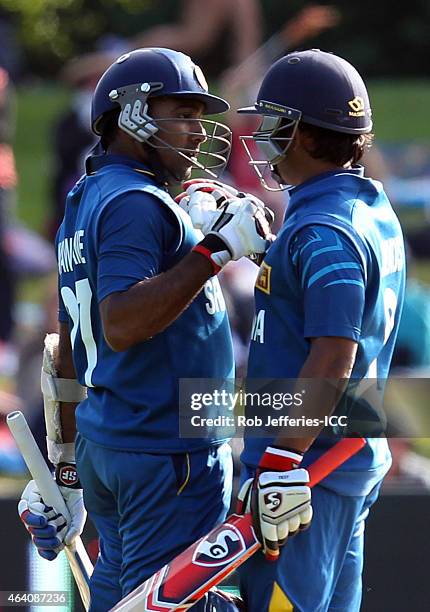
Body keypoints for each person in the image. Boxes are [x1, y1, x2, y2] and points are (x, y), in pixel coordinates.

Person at [17, 47, 274, 611]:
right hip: (165, 450)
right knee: (171, 603)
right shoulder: (134, 201)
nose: (198, 130)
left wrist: (64, 467)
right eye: (181, 113)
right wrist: (214, 251)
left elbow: (65, 346)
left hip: (112, 442)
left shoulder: (87, 196)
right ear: (132, 114)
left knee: (119, 598)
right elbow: (122, 323)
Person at [180, 48, 406, 611]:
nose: (261, 137)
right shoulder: (365, 207)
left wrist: (283, 460)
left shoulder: (321, 230)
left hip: (308, 469)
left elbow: (334, 355)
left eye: (273, 123)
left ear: (302, 134)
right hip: (343, 454)